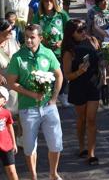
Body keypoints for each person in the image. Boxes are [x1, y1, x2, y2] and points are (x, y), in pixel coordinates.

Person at [6, 24, 64, 180]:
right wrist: (30, 93)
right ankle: (34, 177)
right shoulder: (18, 57)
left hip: (48, 107)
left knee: (55, 143)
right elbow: (11, 83)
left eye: (32, 37)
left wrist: (53, 99)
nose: (29, 40)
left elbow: (59, 75)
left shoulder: (48, 53)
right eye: (26, 37)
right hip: (28, 108)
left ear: (40, 38)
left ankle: (53, 173)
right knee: (30, 147)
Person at [61, 19, 101, 165]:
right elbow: (67, 75)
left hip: (93, 85)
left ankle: (91, 154)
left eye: (84, 28)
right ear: (71, 34)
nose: (83, 32)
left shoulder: (92, 40)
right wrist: (79, 71)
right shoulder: (69, 51)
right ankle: (81, 147)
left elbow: (99, 60)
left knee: (91, 119)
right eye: (79, 30)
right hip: (78, 86)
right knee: (81, 119)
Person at [0, 86, 18, 180]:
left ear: (4, 101)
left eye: (0, 96)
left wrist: (14, 143)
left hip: (7, 146)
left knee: (11, 171)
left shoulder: (6, 113)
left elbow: (10, 126)